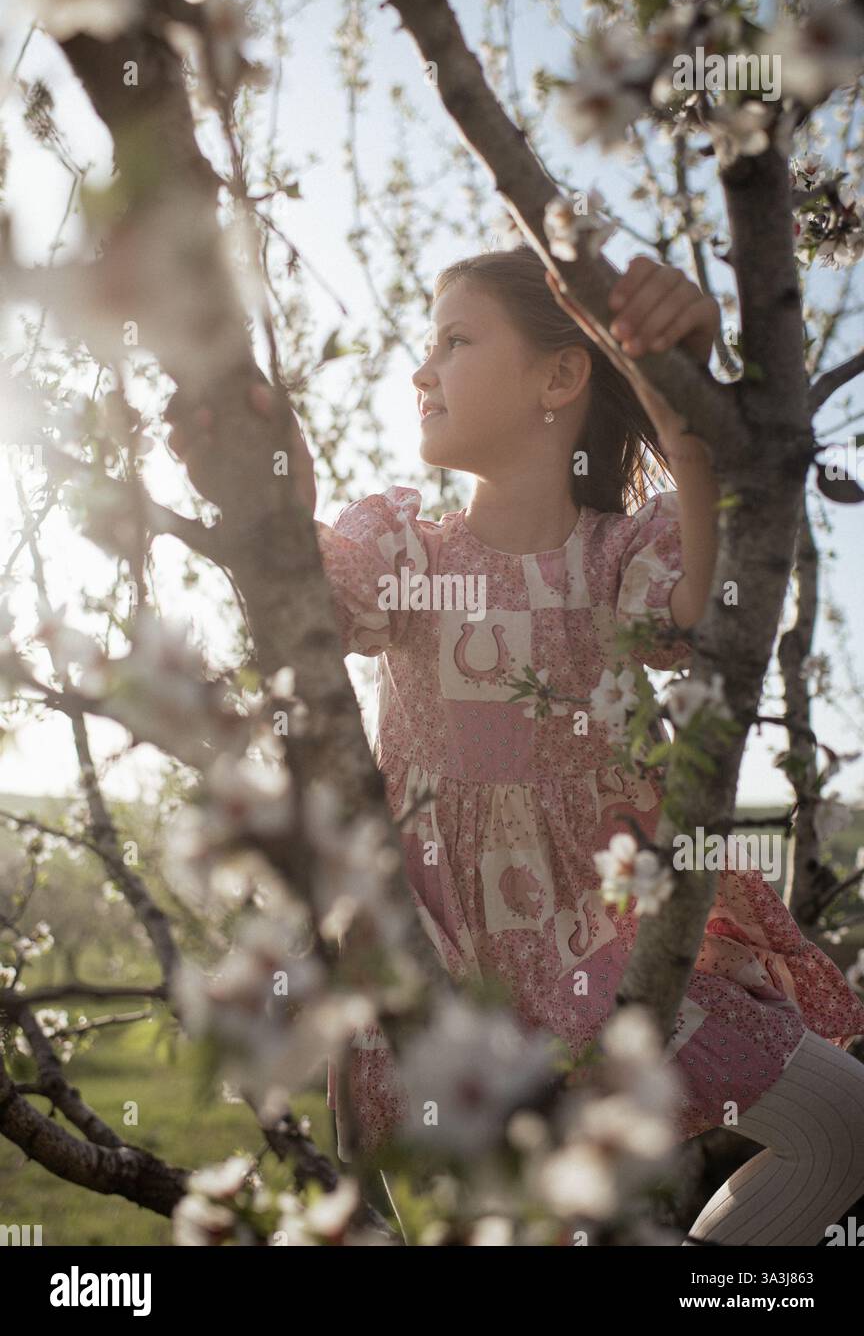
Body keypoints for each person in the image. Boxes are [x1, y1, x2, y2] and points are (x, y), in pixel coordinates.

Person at [167, 244, 864, 1245]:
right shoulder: (409, 547)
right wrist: (268, 490)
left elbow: (710, 612)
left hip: (610, 956)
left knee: (845, 1125)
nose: (421, 369)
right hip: (444, 990)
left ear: (560, 375)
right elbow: (312, 601)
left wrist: (687, 403)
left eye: (454, 340)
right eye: (427, 343)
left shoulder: (622, 554)